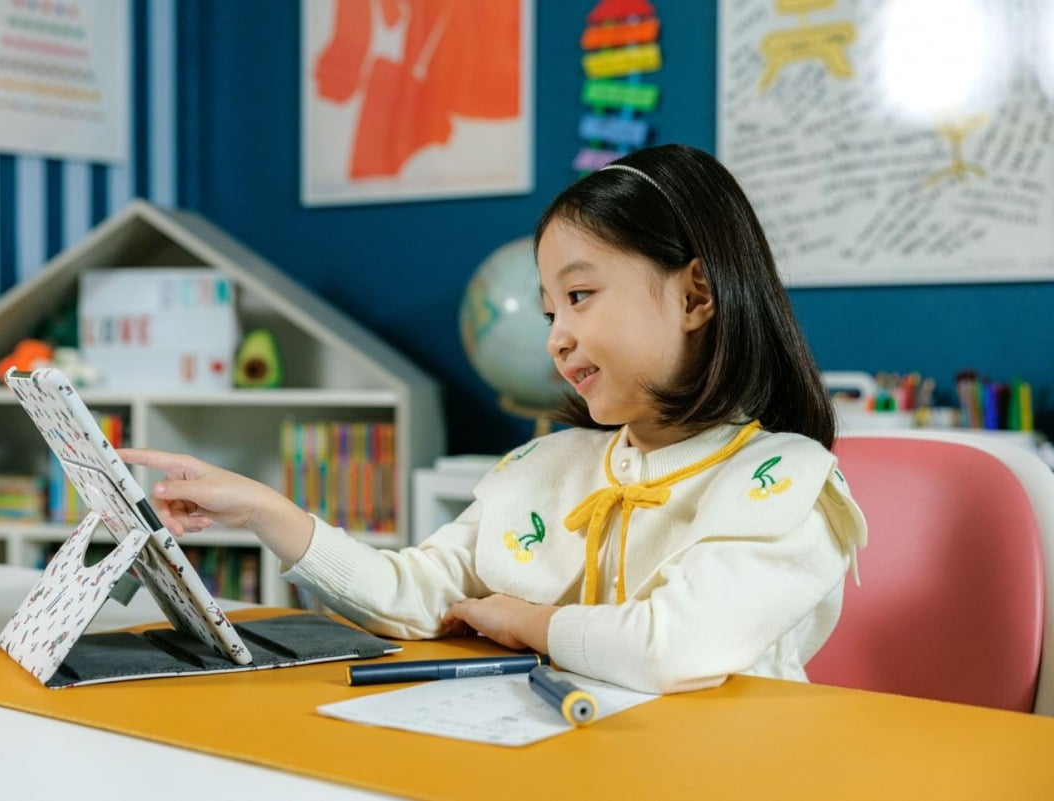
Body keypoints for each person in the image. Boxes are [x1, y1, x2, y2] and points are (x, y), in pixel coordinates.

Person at [119, 144, 866, 695]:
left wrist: (524, 620)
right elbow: (417, 592)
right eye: (549, 311)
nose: (556, 337)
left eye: (580, 296)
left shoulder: (788, 485)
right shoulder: (548, 466)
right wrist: (266, 510)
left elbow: (669, 646)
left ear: (697, 294)